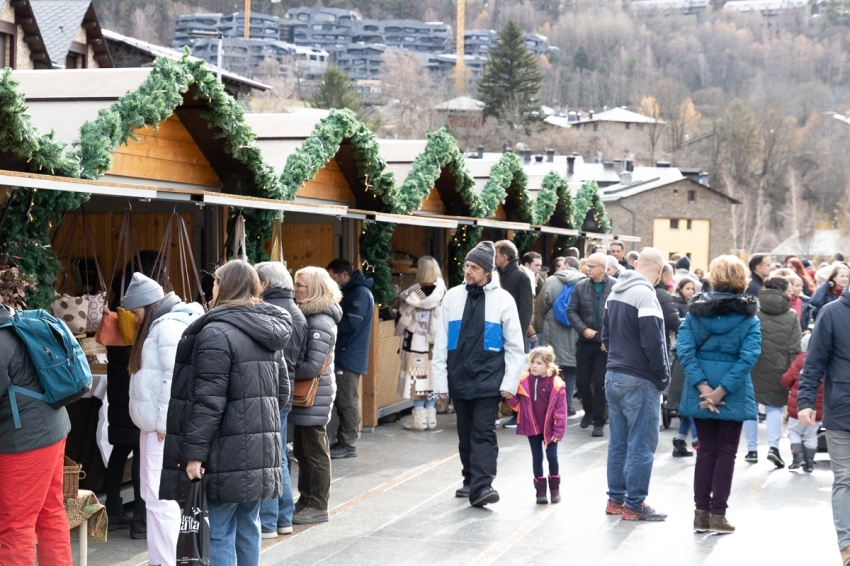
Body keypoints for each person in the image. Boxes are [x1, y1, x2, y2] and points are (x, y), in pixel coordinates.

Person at [159, 260, 293, 564]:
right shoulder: (269, 329)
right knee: (249, 526)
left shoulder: (216, 332)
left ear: (227, 286)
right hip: (262, 450)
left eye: (216, 283)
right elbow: (283, 393)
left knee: (218, 530)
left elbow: (207, 401)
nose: (211, 289)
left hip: (226, 451)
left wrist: (193, 454)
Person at [432, 241, 525, 507]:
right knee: (465, 433)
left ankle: (483, 486)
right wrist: (441, 383)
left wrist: (509, 384)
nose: (468, 271)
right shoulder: (452, 296)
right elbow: (442, 342)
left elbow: (515, 347)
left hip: (488, 380)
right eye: (467, 266)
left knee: (483, 432)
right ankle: (469, 479)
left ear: (487, 270)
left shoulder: (503, 300)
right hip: (459, 377)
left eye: (473, 267)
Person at [677, 255, 761, 535]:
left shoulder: (694, 313)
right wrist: (721, 391)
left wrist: (703, 388)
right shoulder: (749, 317)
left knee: (705, 452)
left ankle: (700, 514)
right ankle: (718, 515)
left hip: (700, 389)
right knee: (727, 453)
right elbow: (749, 357)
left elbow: (685, 351)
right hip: (732, 390)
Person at [126, 273, 203, 565]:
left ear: (148, 305)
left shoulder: (166, 326)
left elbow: (173, 378)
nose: (134, 319)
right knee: (154, 497)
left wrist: (162, 422)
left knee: (160, 500)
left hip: (162, 430)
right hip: (158, 428)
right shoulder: (167, 322)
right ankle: (161, 559)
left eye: (135, 312)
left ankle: (168, 560)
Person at [0, 304, 73, 565]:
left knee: (15, 525)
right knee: (50, 511)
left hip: (25, 441)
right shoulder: (15, 323)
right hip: (52, 428)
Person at [601, 247, 669, 521]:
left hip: (613, 374)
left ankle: (615, 499)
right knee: (642, 443)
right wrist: (663, 374)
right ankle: (635, 503)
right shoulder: (645, 295)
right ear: (661, 272)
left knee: (618, 442)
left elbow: (604, 335)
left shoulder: (615, 291)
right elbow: (654, 341)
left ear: (637, 264)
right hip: (639, 379)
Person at [797, 278, 850, 566]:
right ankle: (847, 546)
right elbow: (814, 362)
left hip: (840, 405)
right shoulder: (831, 313)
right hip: (842, 409)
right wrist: (805, 401)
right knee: (845, 478)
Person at [255, 262, 308, 538]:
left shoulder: (269, 311)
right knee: (279, 457)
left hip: (269, 392)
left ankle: (268, 521)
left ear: (265, 284)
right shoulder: (296, 312)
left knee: (269, 458)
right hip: (284, 392)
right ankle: (283, 518)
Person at [290, 266, 343, 525]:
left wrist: (286, 372)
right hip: (308, 396)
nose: (295, 289)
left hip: (315, 396)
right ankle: (305, 499)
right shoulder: (310, 316)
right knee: (303, 448)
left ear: (315, 290)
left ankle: (319, 504)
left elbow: (312, 366)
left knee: (315, 451)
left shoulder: (320, 320)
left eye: (300, 285)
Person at [745, 276, 802, 466]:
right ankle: (774, 448)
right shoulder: (791, 315)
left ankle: (752, 450)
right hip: (780, 366)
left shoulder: (754, 311)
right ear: (782, 292)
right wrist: (795, 372)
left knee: (751, 407)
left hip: (753, 364)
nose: (791, 293)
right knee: (774, 408)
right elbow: (795, 347)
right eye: (788, 290)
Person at [504, 346, 567, 504]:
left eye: (538, 363)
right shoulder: (524, 381)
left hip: (550, 429)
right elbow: (518, 406)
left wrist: (558, 431)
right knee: (537, 457)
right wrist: (509, 398)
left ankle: (555, 489)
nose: (533, 366)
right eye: (532, 362)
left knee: (552, 457)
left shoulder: (556, 384)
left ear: (548, 365)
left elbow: (561, 411)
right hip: (532, 426)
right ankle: (540, 492)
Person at [327, 258, 374, 459]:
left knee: (347, 401)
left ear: (344, 275)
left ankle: (348, 443)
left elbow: (350, 324)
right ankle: (345, 441)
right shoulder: (355, 291)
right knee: (344, 399)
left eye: (333, 278)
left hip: (349, 354)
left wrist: (329, 319)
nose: (332, 283)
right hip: (347, 354)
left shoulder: (359, 294)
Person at [395, 256, 447, 431]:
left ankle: (418, 419)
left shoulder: (414, 293)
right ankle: (431, 418)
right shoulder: (441, 291)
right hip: (434, 343)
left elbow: (402, 311)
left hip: (415, 343)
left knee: (416, 379)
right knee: (432, 378)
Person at [567, 252, 614, 437]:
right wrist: (582, 329)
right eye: (587, 265)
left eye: (592, 266)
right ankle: (587, 411)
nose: (587, 269)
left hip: (604, 344)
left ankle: (599, 421)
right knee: (582, 381)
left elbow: (620, 317)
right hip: (585, 342)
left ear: (603, 268)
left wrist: (610, 339)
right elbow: (571, 311)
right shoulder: (581, 286)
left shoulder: (616, 288)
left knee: (600, 382)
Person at [495, 241, 534, 428]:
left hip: (514, 335)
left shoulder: (521, 276)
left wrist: (518, 337)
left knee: (516, 377)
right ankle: (498, 411)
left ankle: (518, 414)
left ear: (504, 256)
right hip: (496, 334)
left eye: (496, 255)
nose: (494, 259)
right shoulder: (496, 275)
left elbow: (526, 310)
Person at [541, 257, 585, 417]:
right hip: (576, 329)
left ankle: (553, 404)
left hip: (553, 329)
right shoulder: (585, 282)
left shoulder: (552, 280)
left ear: (565, 265)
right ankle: (567, 405)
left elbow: (542, 304)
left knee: (553, 369)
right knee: (571, 370)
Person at [781, 334, 821, 472]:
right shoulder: (826, 360)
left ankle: (798, 457)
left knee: (794, 431)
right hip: (818, 408)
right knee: (811, 434)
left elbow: (787, 380)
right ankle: (809, 463)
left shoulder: (800, 359)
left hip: (798, 406)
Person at [669, 276, 698, 457]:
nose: (691, 292)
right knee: (691, 407)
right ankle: (697, 441)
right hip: (684, 362)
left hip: (682, 361)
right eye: (688, 288)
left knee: (687, 408)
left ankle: (680, 441)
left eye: (693, 289)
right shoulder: (677, 307)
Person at [655, 263, 682, 347]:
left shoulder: (651, 289)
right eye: (671, 275)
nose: (672, 278)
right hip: (661, 340)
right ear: (664, 276)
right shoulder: (663, 294)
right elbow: (673, 321)